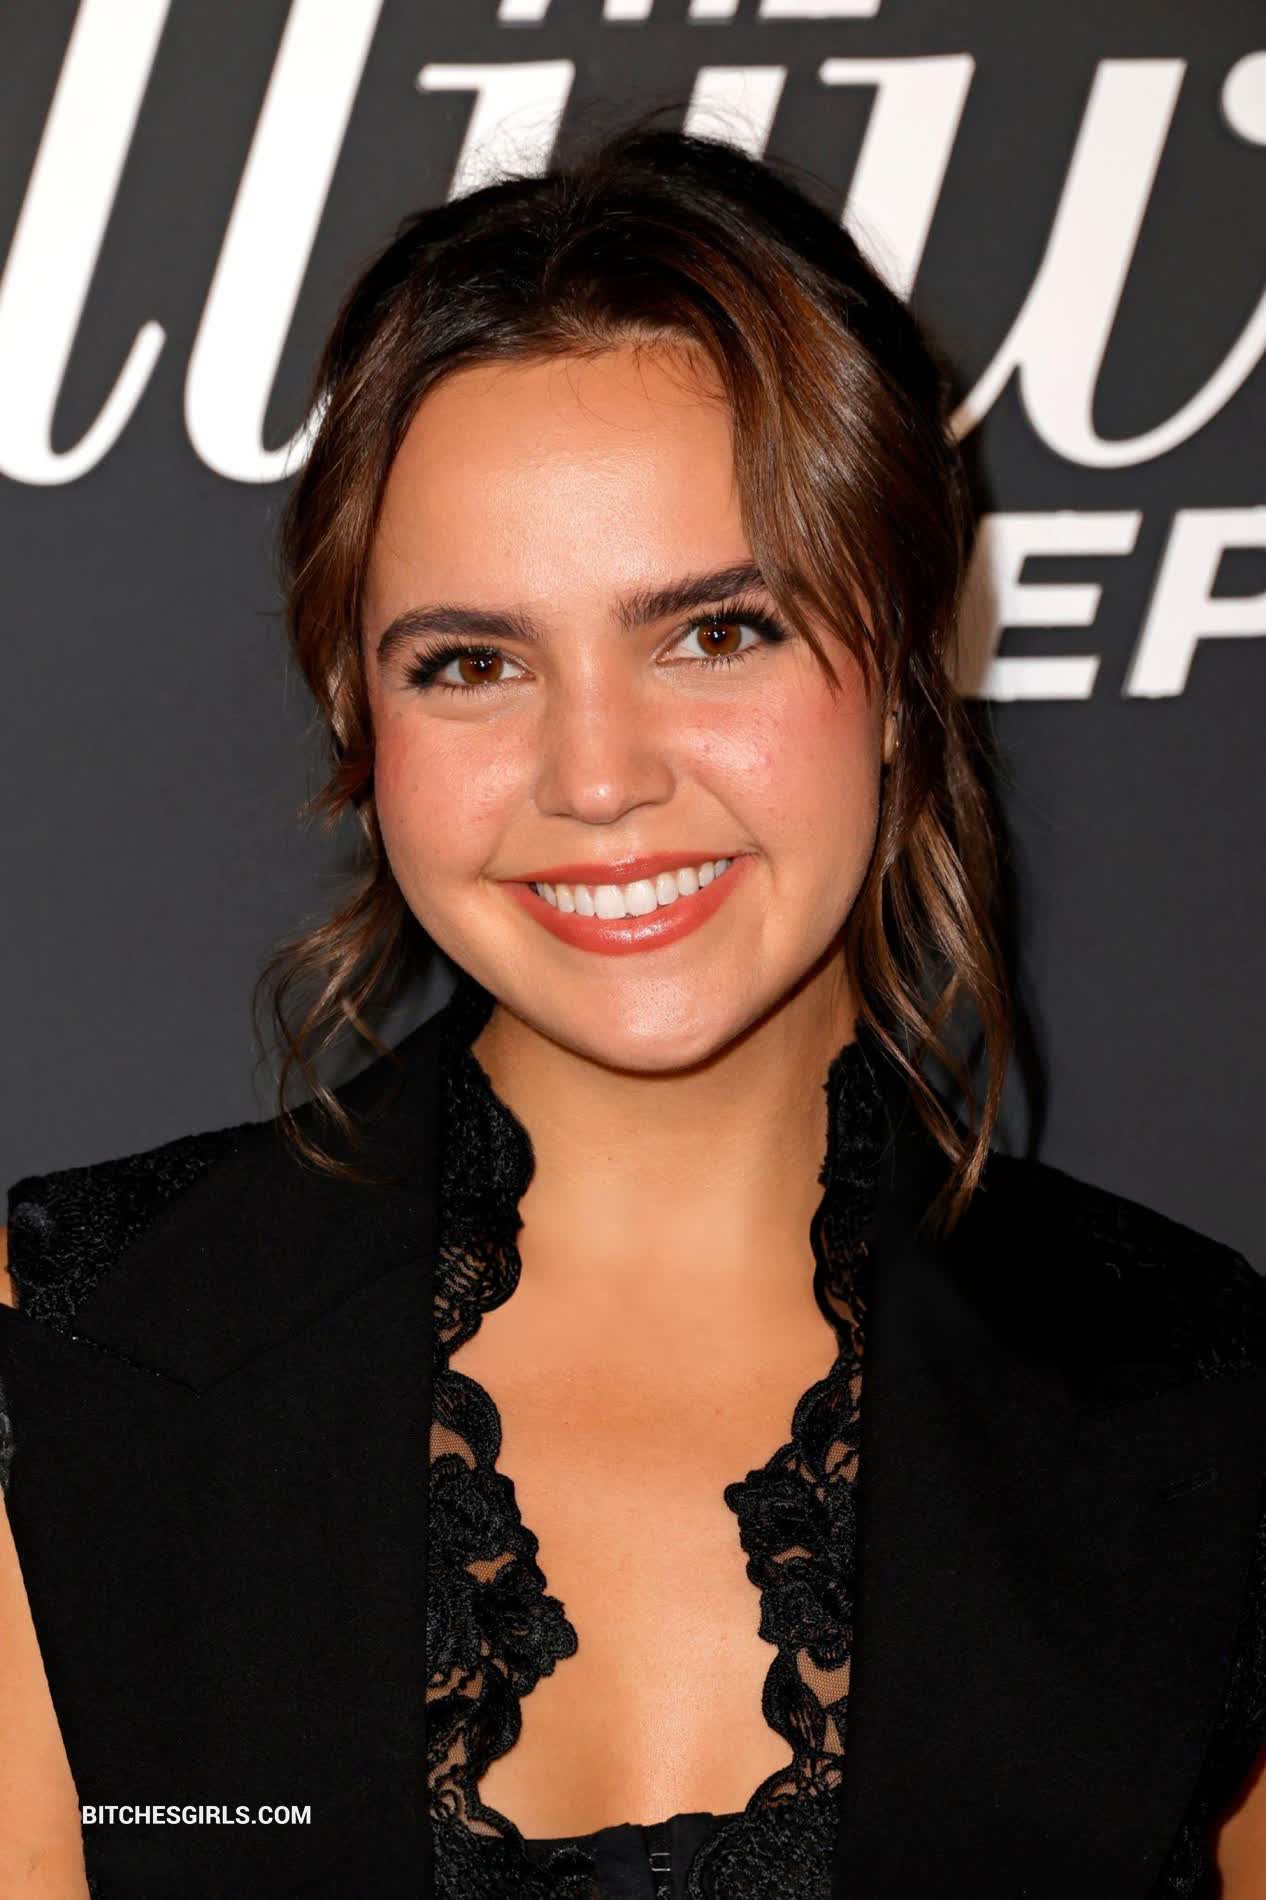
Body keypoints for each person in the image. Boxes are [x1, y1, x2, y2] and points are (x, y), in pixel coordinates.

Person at [1, 119, 1265, 1900]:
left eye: (715, 631)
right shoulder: (79, 1353)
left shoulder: (1205, 1410)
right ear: (359, 723)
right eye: (472, 662)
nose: (595, 776)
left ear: (904, 660)